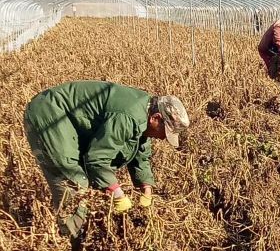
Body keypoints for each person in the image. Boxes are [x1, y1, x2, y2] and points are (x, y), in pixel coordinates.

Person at [24, 81, 190, 238]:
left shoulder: (143, 114)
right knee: (74, 180)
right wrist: (118, 194)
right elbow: (97, 158)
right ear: (156, 118)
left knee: (90, 183)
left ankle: (82, 230)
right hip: (50, 114)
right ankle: (69, 243)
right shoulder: (128, 116)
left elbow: (140, 152)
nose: (162, 138)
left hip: (69, 120)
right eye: (165, 132)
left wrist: (146, 189)